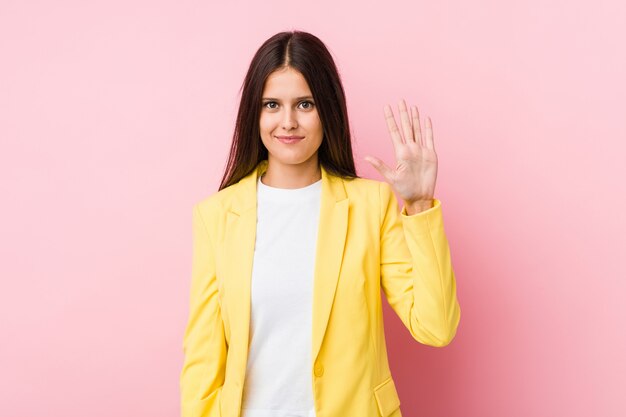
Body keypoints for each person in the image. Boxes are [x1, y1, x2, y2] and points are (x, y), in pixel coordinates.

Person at [180, 30, 461, 417]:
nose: (288, 122)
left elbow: (436, 326)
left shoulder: (371, 206)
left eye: (305, 104)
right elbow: (203, 361)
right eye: (272, 105)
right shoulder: (216, 216)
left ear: (327, 109)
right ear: (254, 113)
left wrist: (418, 205)